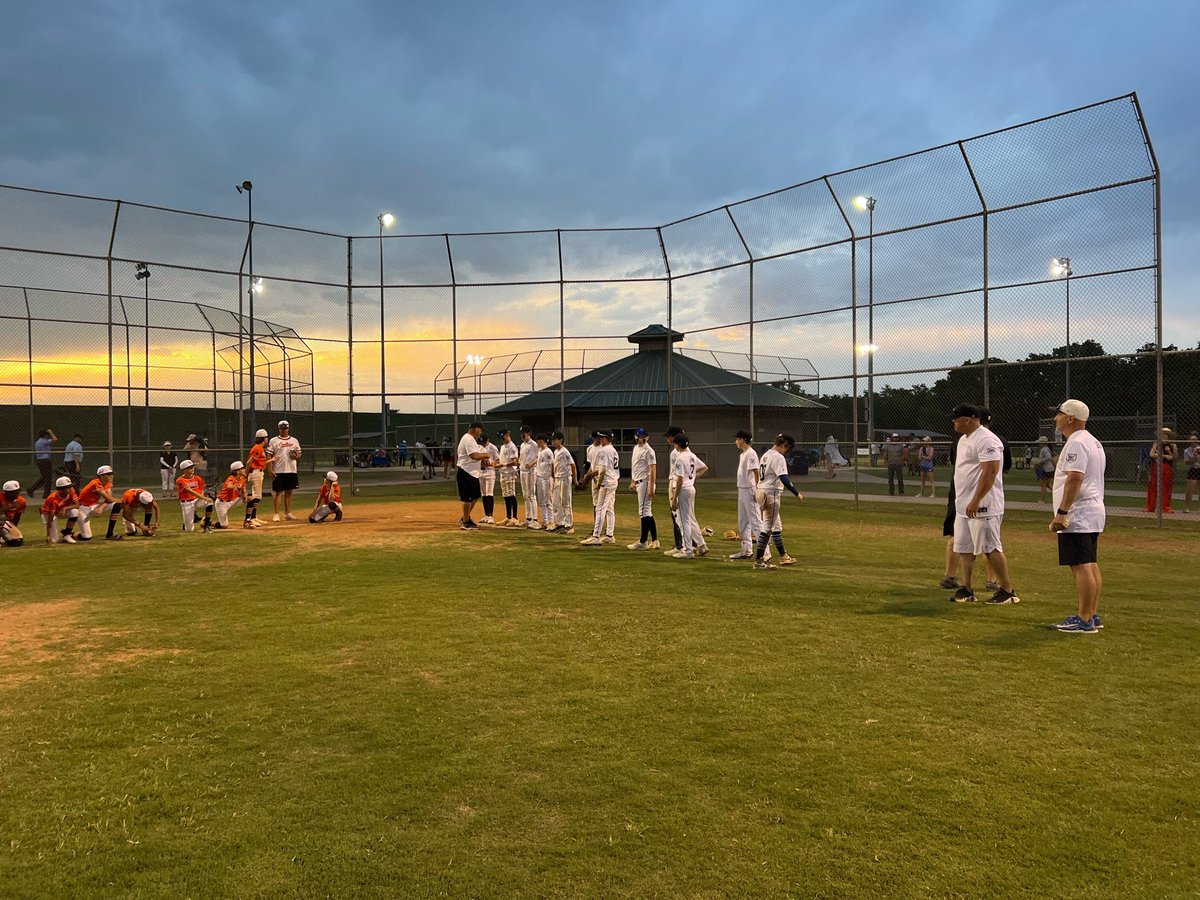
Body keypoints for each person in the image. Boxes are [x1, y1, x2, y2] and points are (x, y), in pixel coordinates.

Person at [947, 404, 1019, 605]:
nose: (953, 421)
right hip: (964, 505)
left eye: (956, 418)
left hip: (983, 505)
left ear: (968, 419)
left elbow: (991, 472)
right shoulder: (963, 439)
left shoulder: (987, 439)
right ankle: (967, 588)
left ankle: (1007, 590)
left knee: (990, 547)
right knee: (964, 549)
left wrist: (976, 500)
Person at [1046, 400, 1107, 634]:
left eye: (1059, 414)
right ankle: (1091, 613)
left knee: (1080, 565)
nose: (1056, 419)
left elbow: (1074, 478)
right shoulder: (1092, 441)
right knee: (1090, 563)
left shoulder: (1077, 442)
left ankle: (1084, 619)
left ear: (1071, 418)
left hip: (1079, 512)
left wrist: (1062, 512)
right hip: (1092, 510)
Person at [753, 434, 803, 570]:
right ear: (784, 444)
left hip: (761, 490)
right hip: (771, 493)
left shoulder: (766, 455)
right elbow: (784, 478)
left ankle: (783, 556)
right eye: (787, 448)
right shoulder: (778, 457)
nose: (786, 451)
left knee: (776, 525)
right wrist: (796, 493)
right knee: (767, 527)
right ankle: (759, 561)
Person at [668, 433, 709, 559]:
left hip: (683, 490)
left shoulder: (680, 458)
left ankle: (688, 550)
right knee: (690, 518)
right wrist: (692, 479)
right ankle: (701, 545)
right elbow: (704, 468)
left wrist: (674, 498)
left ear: (678, 444)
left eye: (675, 443)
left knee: (682, 520)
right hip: (690, 488)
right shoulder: (691, 455)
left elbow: (680, 479)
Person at [580, 430, 619, 545]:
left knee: (600, 508)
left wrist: (598, 484)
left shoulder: (604, 450)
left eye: (602, 438)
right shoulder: (613, 449)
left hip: (606, 482)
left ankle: (596, 536)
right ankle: (609, 535)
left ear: (606, 439)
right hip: (613, 481)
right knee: (610, 508)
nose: (600, 440)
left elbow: (602, 471)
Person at [730, 430, 761, 560]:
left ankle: (764, 553)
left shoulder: (751, 454)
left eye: (737, 439)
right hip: (742, 489)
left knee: (755, 522)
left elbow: (756, 472)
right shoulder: (743, 454)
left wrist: (757, 489)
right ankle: (746, 550)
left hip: (750, 489)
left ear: (743, 439)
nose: (736, 441)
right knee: (743, 521)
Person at [627, 428, 659, 550]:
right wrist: (633, 480)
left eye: (644, 436)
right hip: (639, 482)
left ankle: (643, 541)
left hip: (646, 482)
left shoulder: (649, 451)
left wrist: (651, 487)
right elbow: (635, 466)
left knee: (643, 512)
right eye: (639, 436)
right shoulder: (636, 449)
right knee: (647, 512)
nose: (641, 438)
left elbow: (652, 470)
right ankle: (655, 540)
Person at [456, 422, 491, 530]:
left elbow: (474, 458)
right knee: (467, 499)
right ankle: (465, 522)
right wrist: (486, 455)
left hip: (473, 472)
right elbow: (474, 456)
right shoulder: (468, 439)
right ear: (476, 429)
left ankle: (465, 518)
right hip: (466, 472)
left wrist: (482, 462)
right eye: (480, 430)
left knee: (475, 496)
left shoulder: (471, 440)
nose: (480, 433)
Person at [76, 464, 124, 541]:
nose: (111, 476)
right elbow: (109, 499)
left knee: (117, 505)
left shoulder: (106, 483)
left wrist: (101, 507)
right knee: (86, 537)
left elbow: (109, 499)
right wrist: (123, 500)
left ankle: (110, 534)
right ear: (101, 476)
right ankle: (72, 534)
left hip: (93, 506)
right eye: (108, 474)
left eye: (111, 474)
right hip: (82, 509)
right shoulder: (96, 483)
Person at [268, 419, 303, 521]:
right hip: (278, 470)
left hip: (291, 469)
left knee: (289, 492)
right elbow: (269, 454)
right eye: (282, 428)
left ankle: (287, 513)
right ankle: (276, 514)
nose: (284, 430)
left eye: (285, 428)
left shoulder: (294, 440)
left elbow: (299, 453)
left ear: (288, 429)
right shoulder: (274, 440)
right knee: (278, 492)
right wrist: (270, 469)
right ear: (279, 429)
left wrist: (296, 455)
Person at [550, 432, 577, 535]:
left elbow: (572, 465)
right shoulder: (556, 452)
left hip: (565, 478)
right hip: (557, 478)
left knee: (566, 502)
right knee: (555, 502)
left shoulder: (565, 451)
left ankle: (569, 525)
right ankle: (560, 523)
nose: (553, 442)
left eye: (555, 440)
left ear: (560, 440)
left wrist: (575, 480)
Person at [176, 459, 213, 533]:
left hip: (197, 500)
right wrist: (204, 498)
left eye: (192, 467)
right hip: (187, 503)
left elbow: (201, 489)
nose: (192, 469)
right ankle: (188, 521)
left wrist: (203, 499)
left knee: (210, 502)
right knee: (189, 530)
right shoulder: (180, 480)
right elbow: (191, 491)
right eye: (189, 468)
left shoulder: (197, 478)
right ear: (184, 470)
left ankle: (206, 525)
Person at [1145, 427, 1177, 513]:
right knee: (1153, 486)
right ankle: (1150, 506)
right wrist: (1164, 456)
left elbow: (1174, 456)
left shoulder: (1172, 445)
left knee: (1166, 487)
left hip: (1167, 467)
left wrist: (1169, 452)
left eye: (1166, 434)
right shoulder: (1156, 444)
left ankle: (1166, 507)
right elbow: (1152, 454)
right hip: (1157, 465)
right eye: (1162, 434)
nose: (1164, 436)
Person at [41, 476, 81, 544]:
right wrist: (48, 535)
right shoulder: (52, 498)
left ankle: (66, 535)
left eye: (70, 486)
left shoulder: (71, 491)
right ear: (60, 489)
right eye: (67, 487)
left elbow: (77, 505)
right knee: (54, 540)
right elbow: (50, 519)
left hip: (61, 511)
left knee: (75, 512)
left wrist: (65, 508)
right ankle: (53, 536)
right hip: (48, 514)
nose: (70, 488)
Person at [243, 428, 269, 528]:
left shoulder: (260, 448)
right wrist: (245, 473)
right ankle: (251, 518)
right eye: (266, 438)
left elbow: (260, 463)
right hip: (255, 473)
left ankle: (254, 517)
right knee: (256, 496)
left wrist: (272, 460)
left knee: (257, 496)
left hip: (258, 472)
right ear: (264, 438)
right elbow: (249, 462)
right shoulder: (258, 448)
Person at [496, 427, 521, 526]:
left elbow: (515, 462)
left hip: (510, 473)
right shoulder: (503, 447)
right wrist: (497, 463)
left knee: (511, 494)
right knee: (505, 495)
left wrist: (503, 465)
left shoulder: (512, 447)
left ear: (507, 435)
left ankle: (515, 517)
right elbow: (502, 460)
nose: (502, 440)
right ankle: (508, 516)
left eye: (503, 437)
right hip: (503, 473)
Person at [214, 461, 247, 529]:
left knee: (251, 498)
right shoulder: (231, 478)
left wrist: (245, 496)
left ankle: (249, 520)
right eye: (242, 468)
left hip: (232, 501)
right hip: (222, 503)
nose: (244, 469)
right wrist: (234, 487)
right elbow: (229, 486)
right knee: (224, 525)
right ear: (237, 471)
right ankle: (207, 522)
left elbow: (243, 487)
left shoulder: (242, 478)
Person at [533, 433, 555, 530]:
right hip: (540, 477)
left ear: (542, 441)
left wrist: (553, 478)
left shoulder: (548, 452)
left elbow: (553, 465)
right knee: (541, 501)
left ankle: (551, 521)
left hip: (546, 478)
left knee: (548, 500)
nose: (537, 443)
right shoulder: (540, 451)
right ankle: (544, 521)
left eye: (538, 441)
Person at [518, 426, 539, 526]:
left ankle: (535, 519)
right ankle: (528, 518)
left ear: (529, 433)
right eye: (522, 433)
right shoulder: (522, 445)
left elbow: (538, 457)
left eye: (524, 433)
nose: (522, 435)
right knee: (525, 495)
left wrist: (531, 463)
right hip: (522, 471)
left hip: (530, 471)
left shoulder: (533, 444)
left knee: (531, 495)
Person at [478, 432, 500, 524]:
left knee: (489, 493)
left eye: (484, 442)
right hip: (481, 471)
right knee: (483, 493)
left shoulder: (492, 447)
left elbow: (498, 461)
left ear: (488, 440)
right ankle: (486, 515)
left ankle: (490, 515)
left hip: (490, 471)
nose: (482, 444)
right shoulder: (479, 447)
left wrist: (490, 463)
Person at [29, 428, 57, 499]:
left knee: (44, 477)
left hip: (40, 460)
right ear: (44, 436)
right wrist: (51, 432)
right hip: (45, 461)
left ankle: (32, 489)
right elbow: (55, 439)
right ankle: (46, 494)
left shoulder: (37, 442)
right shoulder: (44, 441)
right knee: (48, 478)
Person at [1, 480, 27, 547]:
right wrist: (9, 507)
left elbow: (17, 517)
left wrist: (13, 529)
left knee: (17, 541)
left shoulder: (21, 501)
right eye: (14, 493)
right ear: (6, 493)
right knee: (2, 517)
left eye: (17, 492)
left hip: (6, 523)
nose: (17, 494)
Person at [1184, 432, 1200, 513]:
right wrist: (1194, 456)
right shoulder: (1187, 450)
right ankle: (1187, 507)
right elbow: (1187, 463)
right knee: (1190, 489)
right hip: (1194, 469)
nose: (1193, 441)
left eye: (1195, 440)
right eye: (1192, 440)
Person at [1035, 437, 1055, 502]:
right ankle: (1057, 494)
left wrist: (1040, 461)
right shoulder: (1046, 449)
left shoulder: (1044, 449)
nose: (1039, 444)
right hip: (1048, 469)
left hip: (1048, 469)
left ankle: (1041, 500)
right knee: (1048, 485)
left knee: (1043, 485)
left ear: (1043, 443)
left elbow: (1049, 457)